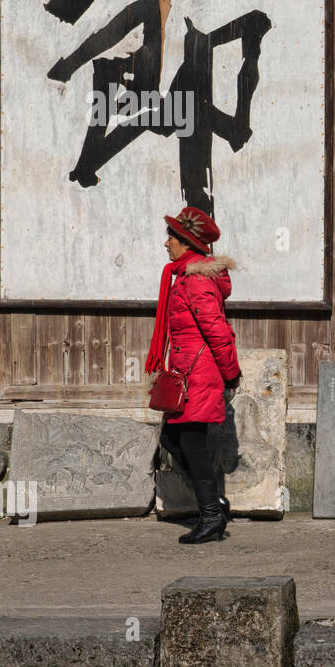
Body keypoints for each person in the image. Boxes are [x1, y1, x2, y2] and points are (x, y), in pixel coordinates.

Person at [147, 206, 241, 544]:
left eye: (171, 236)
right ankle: (213, 503)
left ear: (187, 242)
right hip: (187, 371)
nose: (166, 243)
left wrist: (231, 372)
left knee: (191, 443)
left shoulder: (197, 279)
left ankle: (212, 516)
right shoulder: (184, 276)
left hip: (198, 373)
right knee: (174, 440)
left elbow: (217, 330)